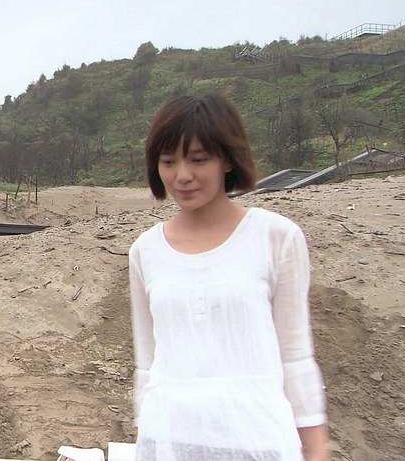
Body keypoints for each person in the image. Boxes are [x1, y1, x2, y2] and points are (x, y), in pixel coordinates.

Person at [128, 93, 330, 460]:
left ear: (227, 159)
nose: (182, 176)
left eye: (198, 159)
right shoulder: (145, 251)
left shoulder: (276, 237)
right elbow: (147, 362)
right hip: (169, 443)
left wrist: (316, 450)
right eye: (168, 161)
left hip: (259, 441)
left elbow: (296, 356)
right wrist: (147, 438)